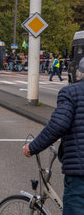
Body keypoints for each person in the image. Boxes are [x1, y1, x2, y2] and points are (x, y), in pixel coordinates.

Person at [23, 58, 84, 214]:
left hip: (80, 173)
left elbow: (58, 125)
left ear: (80, 73)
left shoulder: (71, 92)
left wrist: (32, 147)